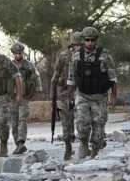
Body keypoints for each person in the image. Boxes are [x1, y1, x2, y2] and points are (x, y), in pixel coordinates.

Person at [67, 26, 118, 159]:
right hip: (82, 95)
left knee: (98, 128)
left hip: (99, 97)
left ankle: (95, 152)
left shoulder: (105, 55)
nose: (90, 43)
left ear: (96, 40)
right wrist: (69, 97)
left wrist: (113, 96)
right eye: (87, 40)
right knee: (82, 124)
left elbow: (113, 78)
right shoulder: (76, 56)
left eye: (92, 40)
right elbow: (72, 78)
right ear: (83, 40)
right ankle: (83, 144)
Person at [51, 32, 81, 160]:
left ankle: (85, 144)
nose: (77, 47)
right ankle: (68, 147)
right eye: (75, 45)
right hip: (65, 94)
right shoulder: (64, 56)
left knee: (83, 121)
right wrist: (52, 96)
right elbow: (55, 75)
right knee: (66, 123)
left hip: (82, 93)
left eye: (79, 45)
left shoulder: (87, 56)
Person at [10, 42, 42, 154]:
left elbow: (37, 77)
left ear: (23, 53)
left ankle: (21, 142)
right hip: (12, 97)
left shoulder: (29, 65)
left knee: (22, 119)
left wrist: (37, 91)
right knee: (14, 122)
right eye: (16, 53)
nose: (18, 55)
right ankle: (17, 144)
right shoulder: (10, 65)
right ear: (13, 54)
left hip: (24, 97)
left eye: (20, 53)